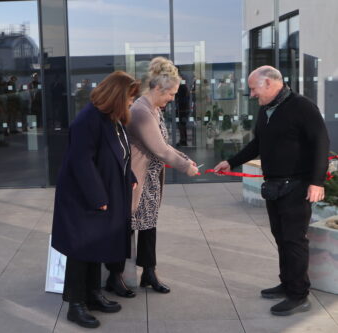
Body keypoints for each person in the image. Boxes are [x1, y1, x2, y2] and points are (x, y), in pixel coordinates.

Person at [214, 65, 330, 316]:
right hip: (274, 186)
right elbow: (258, 143)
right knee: (280, 237)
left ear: (269, 83)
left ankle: (299, 295)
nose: (252, 94)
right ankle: (287, 283)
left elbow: (321, 142)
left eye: (254, 88)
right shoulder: (267, 110)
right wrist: (231, 161)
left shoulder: (302, 106)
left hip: (297, 186)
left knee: (294, 240)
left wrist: (317, 182)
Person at [51, 71, 140, 329]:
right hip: (84, 197)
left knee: (96, 245)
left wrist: (129, 174)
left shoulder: (111, 118)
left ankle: (93, 294)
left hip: (105, 191)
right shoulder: (87, 120)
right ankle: (75, 304)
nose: (132, 102)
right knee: (81, 249)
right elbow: (81, 161)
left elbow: (119, 152)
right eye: (130, 97)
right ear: (116, 96)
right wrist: (97, 197)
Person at [104, 57, 198, 298]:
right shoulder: (141, 112)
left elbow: (165, 144)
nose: (173, 98)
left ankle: (149, 272)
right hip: (135, 180)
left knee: (148, 227)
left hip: (150, 181)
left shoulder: (154, 109)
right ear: (158, 88)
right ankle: (115, 277)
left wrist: (186, 158)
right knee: (125, 229)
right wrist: (185, 167)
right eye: (171, 94)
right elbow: (160, 149)